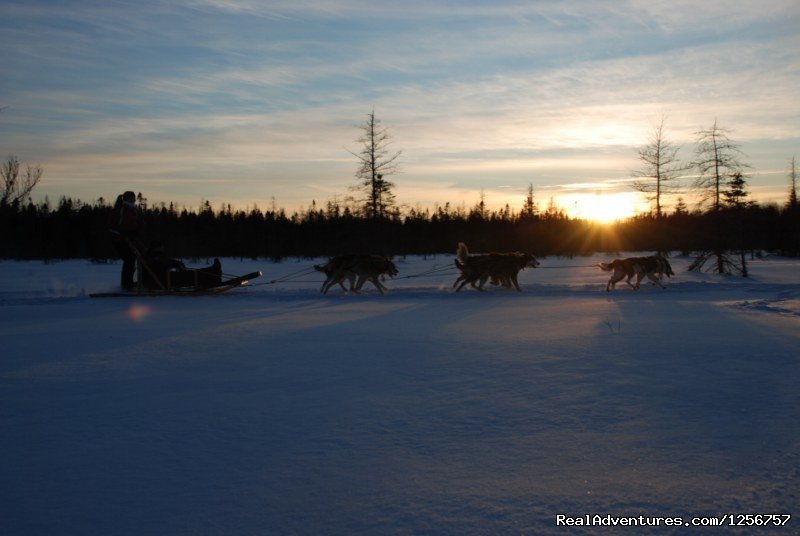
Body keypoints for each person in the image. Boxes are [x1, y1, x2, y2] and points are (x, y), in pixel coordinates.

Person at [142, 241, 223, 290]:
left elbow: (165, 262)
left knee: (191, 274)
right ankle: (214, 276)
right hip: (161, 281)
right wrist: (178, 264)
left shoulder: (152, 256)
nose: (163, 249)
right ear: (156, 248)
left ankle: (214, 272)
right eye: (161, 247)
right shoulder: (154, 256)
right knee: (191, 276)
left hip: (163, 278)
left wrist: (177, 264)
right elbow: (165, 262)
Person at [108, 191, 144, 290]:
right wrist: (122, 233)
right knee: (130, 258)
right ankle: (126, 284)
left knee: (138, 257)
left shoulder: (134, 210)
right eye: (131, 198)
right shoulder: (121, 208)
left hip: (130, 238)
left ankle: (133, 282)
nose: (134, 199)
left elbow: (136, 224)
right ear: (126, 199)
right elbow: (112, 225)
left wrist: (136, 232)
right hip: (119, 239)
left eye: (134, 198)